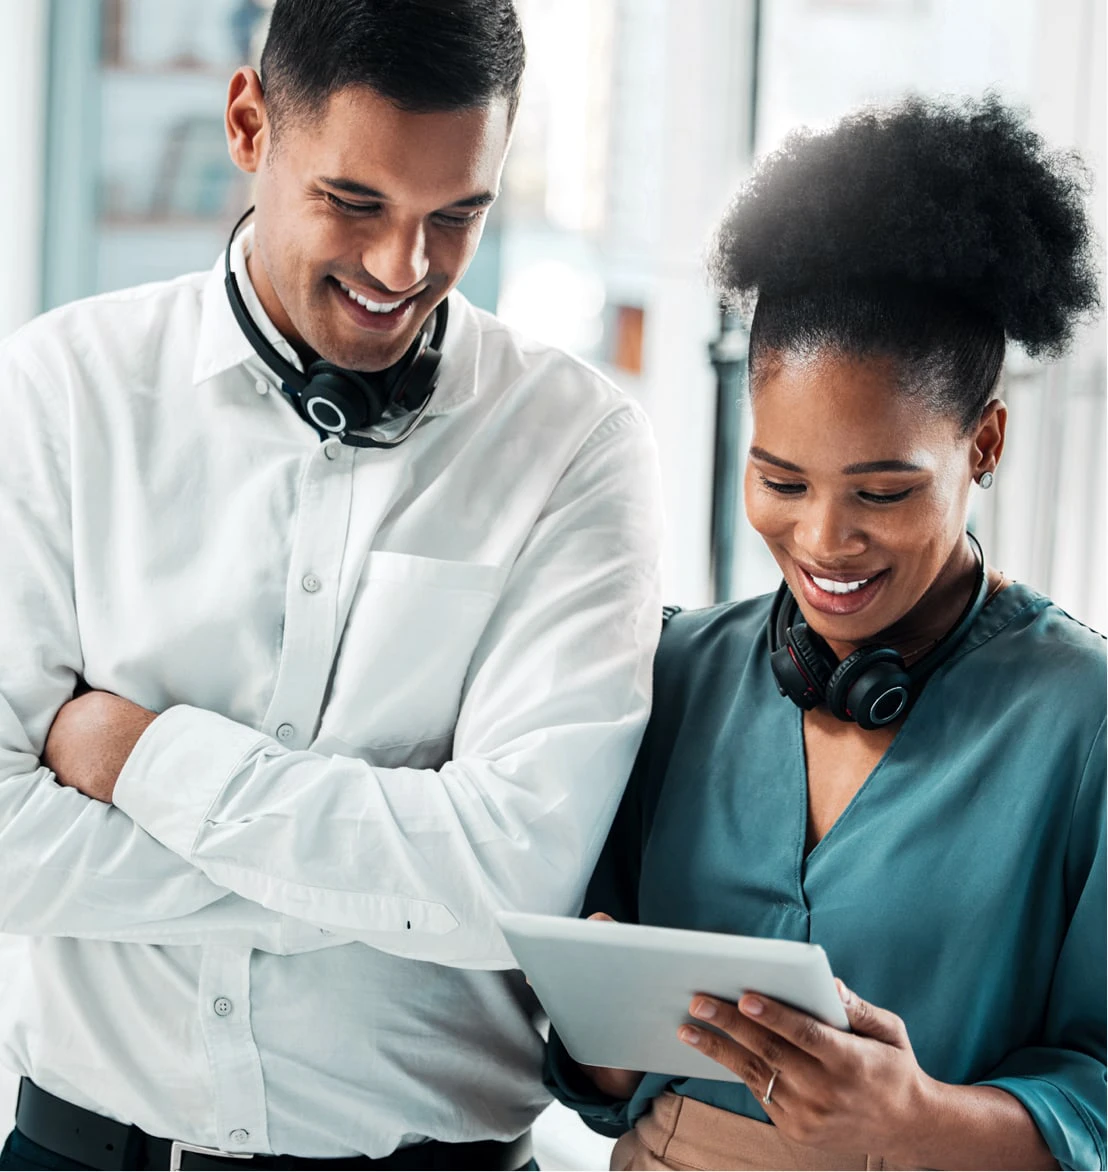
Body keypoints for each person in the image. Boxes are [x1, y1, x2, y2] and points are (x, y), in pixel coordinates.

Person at [0, 1, 663, 1169]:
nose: (402, 267)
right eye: (354, 203)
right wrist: (401, 886)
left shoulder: (573, 441)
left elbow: (514, 873)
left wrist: (142, 760)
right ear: (250, 125)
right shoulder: (58, 390)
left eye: (454, 215)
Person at [545, 95, 1105, 1171]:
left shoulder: (1080, 717)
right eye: (780, 479)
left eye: (883, 490)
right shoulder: (673, 669)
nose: (823, 539)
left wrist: (916, 1119)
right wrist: (603, 1040)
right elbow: (593, 1070)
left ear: (984, 440)